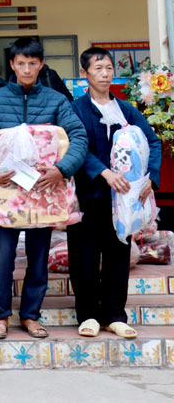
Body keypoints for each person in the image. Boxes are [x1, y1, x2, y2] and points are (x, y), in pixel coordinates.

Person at [0, 36, 87, 340]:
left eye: (32, 63)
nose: (26, 69)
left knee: (39, 258)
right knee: (3, 258)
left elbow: (78, 136)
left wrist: (61, 170)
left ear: (41, 65)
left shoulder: (56, 101)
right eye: (20, 63)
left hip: (43, 192)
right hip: (7, 192)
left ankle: (30, 316)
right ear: (11, 64)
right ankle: (0, 317)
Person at [69, 47, 161, 339]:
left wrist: (151, 178)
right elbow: (76, 146)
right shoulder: (76, 109)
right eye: (98, 68)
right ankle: (88, 315)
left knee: (118, 256)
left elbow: (153, 142)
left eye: (109, 68)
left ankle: (115, 315)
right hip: (89, 198)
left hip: (124, 202)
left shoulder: (126, 110)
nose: (105, 74)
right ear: (84, 73)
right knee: (84, 258)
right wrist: (103, 172)